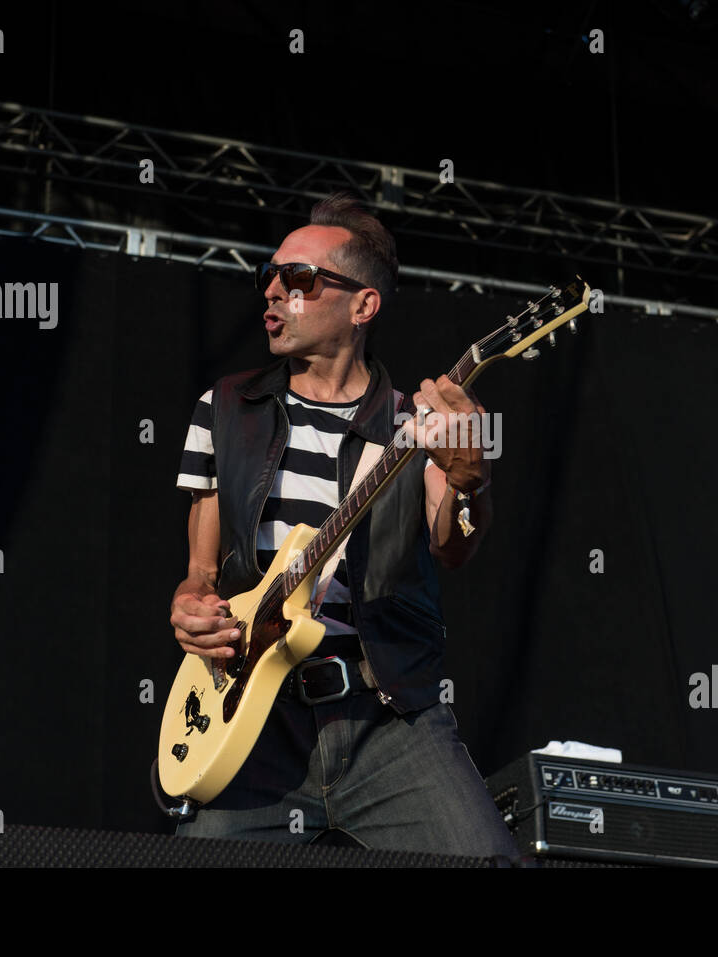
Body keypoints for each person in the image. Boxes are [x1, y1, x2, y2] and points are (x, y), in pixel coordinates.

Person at [168, 192, 518, 859]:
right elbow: (201, 573)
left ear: (364, 305)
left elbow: (455, 546)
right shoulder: (224, 409)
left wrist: (472, 478)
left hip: (386, 716)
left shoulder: (413, 424)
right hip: (253, 719)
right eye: (268, 276)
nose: (272, 290)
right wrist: (188, 610)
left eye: (298, 279)